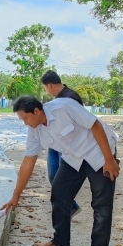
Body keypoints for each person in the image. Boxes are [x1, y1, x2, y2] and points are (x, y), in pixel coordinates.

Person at [1, 95, 119, 246]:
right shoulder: (35, 131)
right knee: (59, 194)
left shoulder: (64, 107)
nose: (25, 123)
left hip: (99, 152)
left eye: (25, 118)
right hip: (73, 158)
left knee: (102, 204)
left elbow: (95, 125)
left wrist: (109, 159)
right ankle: (61, 242)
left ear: (36, 110)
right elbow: (28, 162)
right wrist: (16, 195)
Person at [41, 70, 84, 219]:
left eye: (45, 88)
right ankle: (71, 206)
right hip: (54, 142)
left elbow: (80, 122)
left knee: (61, 177)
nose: (46, 91)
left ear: (50, 85)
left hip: (66, 144)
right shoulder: (54, 101)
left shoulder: (72, 98)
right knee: (53, 176)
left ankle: (66, 208)